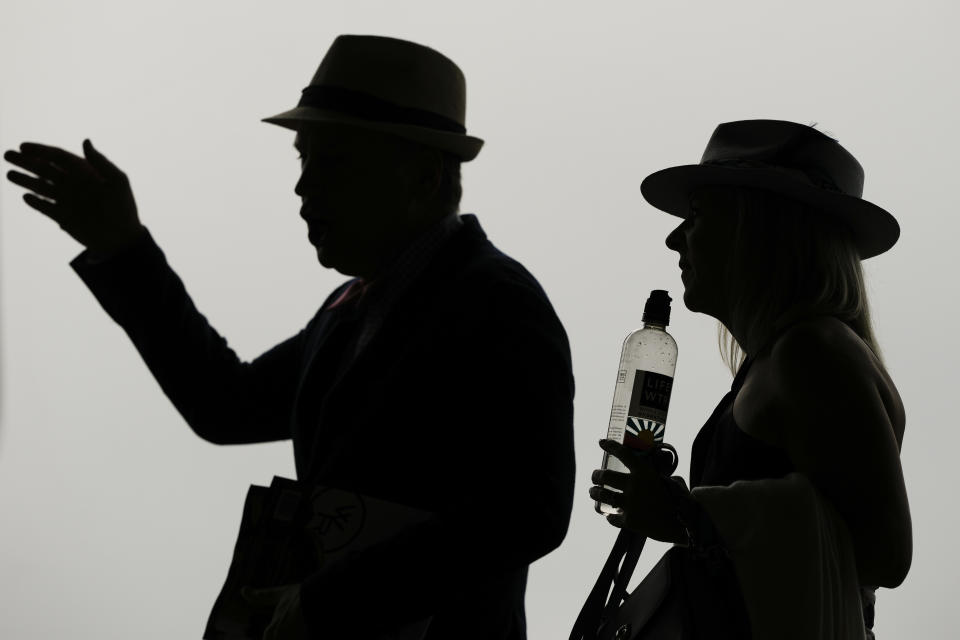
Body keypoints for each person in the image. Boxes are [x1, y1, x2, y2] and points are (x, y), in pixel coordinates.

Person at [3, 35, 576, 640]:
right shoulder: (349, 310)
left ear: (423, 175)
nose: (303, 188)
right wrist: (122, 248)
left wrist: (330, 600)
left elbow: (529, 512)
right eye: (303, 159)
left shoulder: (497, 300)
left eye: (332, 161)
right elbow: (226, 405)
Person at [589, 120, 911, 638]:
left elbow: (884, 555)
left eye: (696, 215)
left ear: (757, 227)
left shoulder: (813, 354)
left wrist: (688, 516)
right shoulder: (793, 354)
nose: (675, 238)